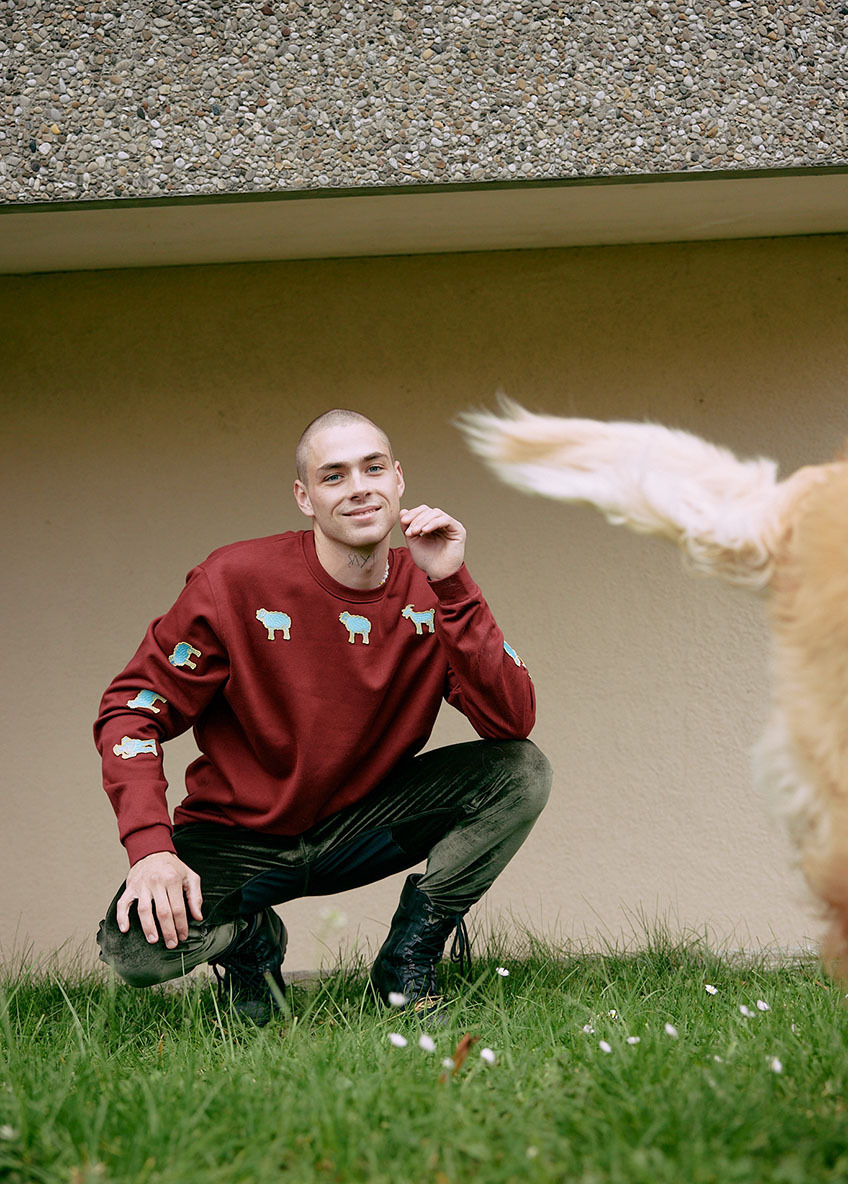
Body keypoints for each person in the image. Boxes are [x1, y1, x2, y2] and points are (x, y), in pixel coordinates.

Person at [95, 409, 552, 1024]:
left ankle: (406, 961)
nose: (358, 487)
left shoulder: (431, 590)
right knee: (135, 952)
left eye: (373, 468)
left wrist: (453, 585)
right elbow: (131, 710)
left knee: (521, 772)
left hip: (363, 825)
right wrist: (149, 848)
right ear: (304, 497)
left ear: (398, 479)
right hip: (237, 833)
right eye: (333, 475)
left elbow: (510, 722)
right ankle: (251, 943)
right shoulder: (234, 581)